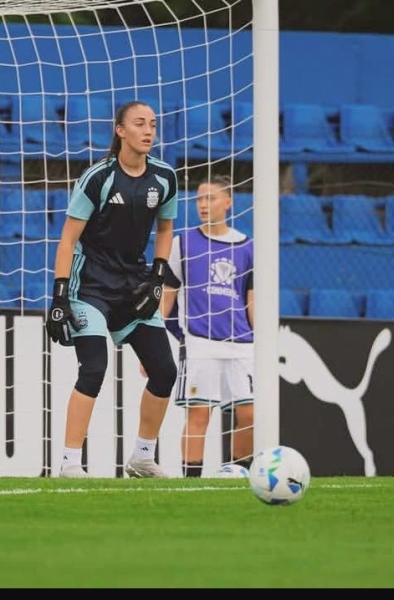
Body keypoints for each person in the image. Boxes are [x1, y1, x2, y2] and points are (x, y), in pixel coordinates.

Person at [45, 100, 179, 479]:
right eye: (139, 124)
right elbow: (67, 240)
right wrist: (58, 296)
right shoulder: (98, 178)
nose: (149, 131)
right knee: (95, 367)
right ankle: (70, 463)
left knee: (165, 370)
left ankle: (141, 458)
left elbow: (166, 229)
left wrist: (157, 277)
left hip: (133, 284)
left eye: (153, 124)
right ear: (120, 131)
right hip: (89, 285)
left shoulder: (165, 177)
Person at [161, 175, 254, 477]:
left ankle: (240, 473)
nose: (203, 204)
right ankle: (191, 483)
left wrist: (260, 343)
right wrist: (157, 343)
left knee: (249, 414)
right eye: (199, 198)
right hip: (200, 341)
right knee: (199, 413)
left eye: (210, 198)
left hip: (241, 343)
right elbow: (167, 294)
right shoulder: (183, 243)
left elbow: (251, 300)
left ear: (228, 203)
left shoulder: (247, 247)